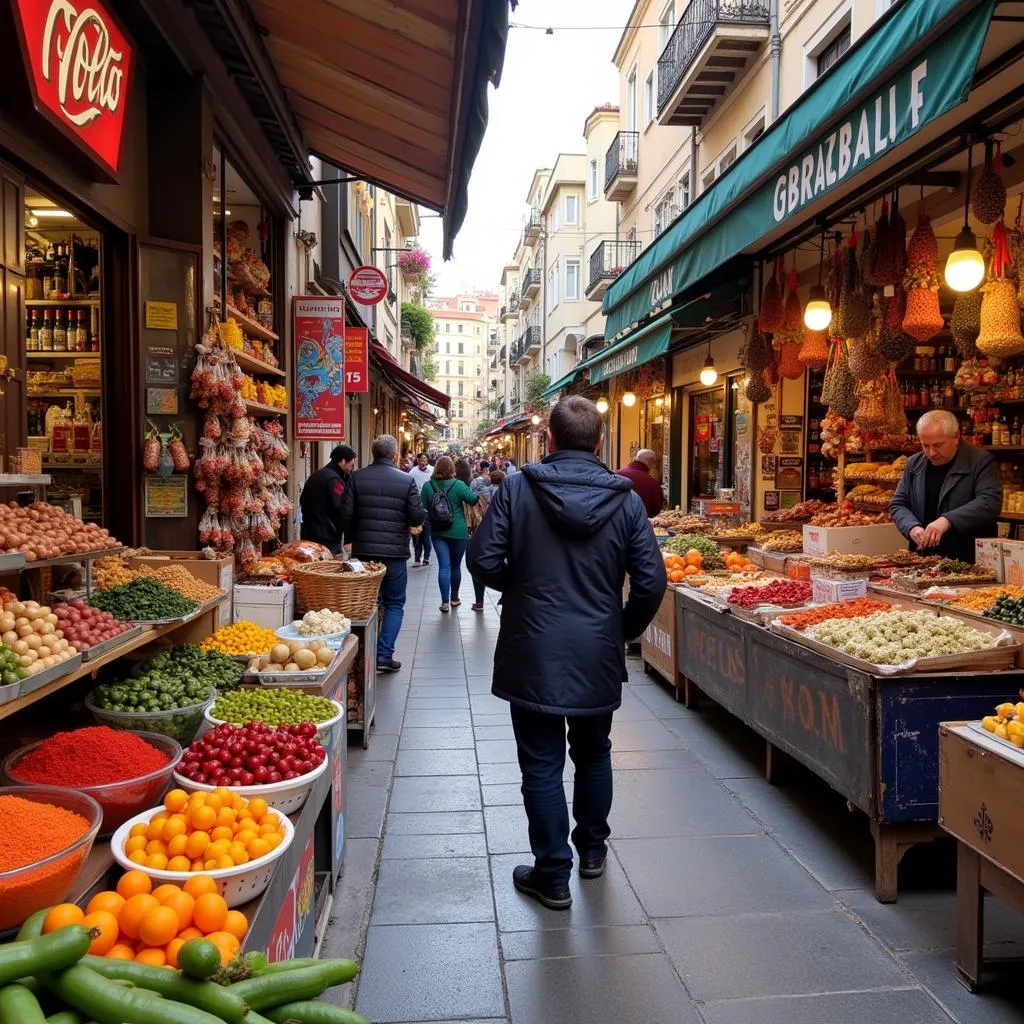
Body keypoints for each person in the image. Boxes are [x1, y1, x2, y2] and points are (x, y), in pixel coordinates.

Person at [467, 395, 666, 910]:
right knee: (594, 751)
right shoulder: (625, 500)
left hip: (532, 645)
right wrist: (621, 629)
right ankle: (593, 852)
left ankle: (553, 874)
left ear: (548, 440)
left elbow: (482, 558)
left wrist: (523, 586)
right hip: (597, 646)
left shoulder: (517, 488)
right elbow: (651, 581)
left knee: (541, 763)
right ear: (600, 443)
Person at [341, 435, 425, 672]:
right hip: (395, 553)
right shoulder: (406, 480)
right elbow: (417, 516)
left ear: (373, 453)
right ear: (395, 455)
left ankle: (364, 654)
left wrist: (353, 537)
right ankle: (384, 655)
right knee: (395, 603)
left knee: (367, 602)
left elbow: (345, 515)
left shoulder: (355, 478)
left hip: (365, 551)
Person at [890, 409, 1002, 563]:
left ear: (956, 436)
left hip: (968, 559)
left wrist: (947, 520)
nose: (931, 452)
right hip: (923, 559)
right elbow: (898, 503)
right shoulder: (914, 464)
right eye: (925, 445)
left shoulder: (980, 461)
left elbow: (990, 502)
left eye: (938, 445)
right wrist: (911, 527)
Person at [421, 456, 479, 613]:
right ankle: (455, 598)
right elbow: (473, 500)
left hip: (437, 531)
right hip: (459, 531)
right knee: (455, 566)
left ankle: (444, 602)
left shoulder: (428, 486)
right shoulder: (459, 485)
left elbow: (424, 505)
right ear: (452, 469)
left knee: (444, 566)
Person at [298, 444, 357, 554]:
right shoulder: (334, 481)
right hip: (326, 537)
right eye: (351, 465)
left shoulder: (316, 475)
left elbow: (303, 500)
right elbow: (340, 509)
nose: (351, 469)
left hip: (309, 532)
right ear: (343, 461)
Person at [470, 468, 504, 611]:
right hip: (502, 531)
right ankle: (506, 595)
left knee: (480, 563)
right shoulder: (507, 492)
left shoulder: (482, 492)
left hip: (483, 530)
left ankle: (479, 601)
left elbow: (475, 506)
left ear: (490, 479)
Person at [616, 449, 665, 519]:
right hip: (637, 524)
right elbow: (655, 510)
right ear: (650, 463)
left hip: (615, 522)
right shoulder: (651, 482)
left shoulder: (617, 474)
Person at [407, 453, 434, 567]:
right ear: (417, 460)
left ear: (427, 460)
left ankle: (426, 557)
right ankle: (417, 558)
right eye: (421, 459)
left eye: (425, 459)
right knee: (415, 535)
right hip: (415, 506)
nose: (423, 462)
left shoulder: (432, 471)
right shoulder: (412, 472)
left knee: (426, 535)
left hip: (428, 507)